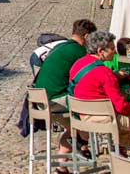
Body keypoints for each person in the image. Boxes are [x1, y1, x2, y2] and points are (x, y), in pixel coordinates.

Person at [70, 30, 130, 160]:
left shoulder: (78, 64)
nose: (115, 52)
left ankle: (122, 153)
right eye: (112, 49)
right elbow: (121, 106)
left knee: (129, 120)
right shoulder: (104, 72)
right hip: (105, 118)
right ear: (101, 51)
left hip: (83, 116)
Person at [32, 18, 97, 169]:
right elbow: (90, 77)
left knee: (76, 125)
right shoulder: (78, 51)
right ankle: (81, 144)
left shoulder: (61, 46)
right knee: (91, 109)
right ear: (87, 36)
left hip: (40, 99)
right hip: (54, 100)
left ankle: (62, 166)